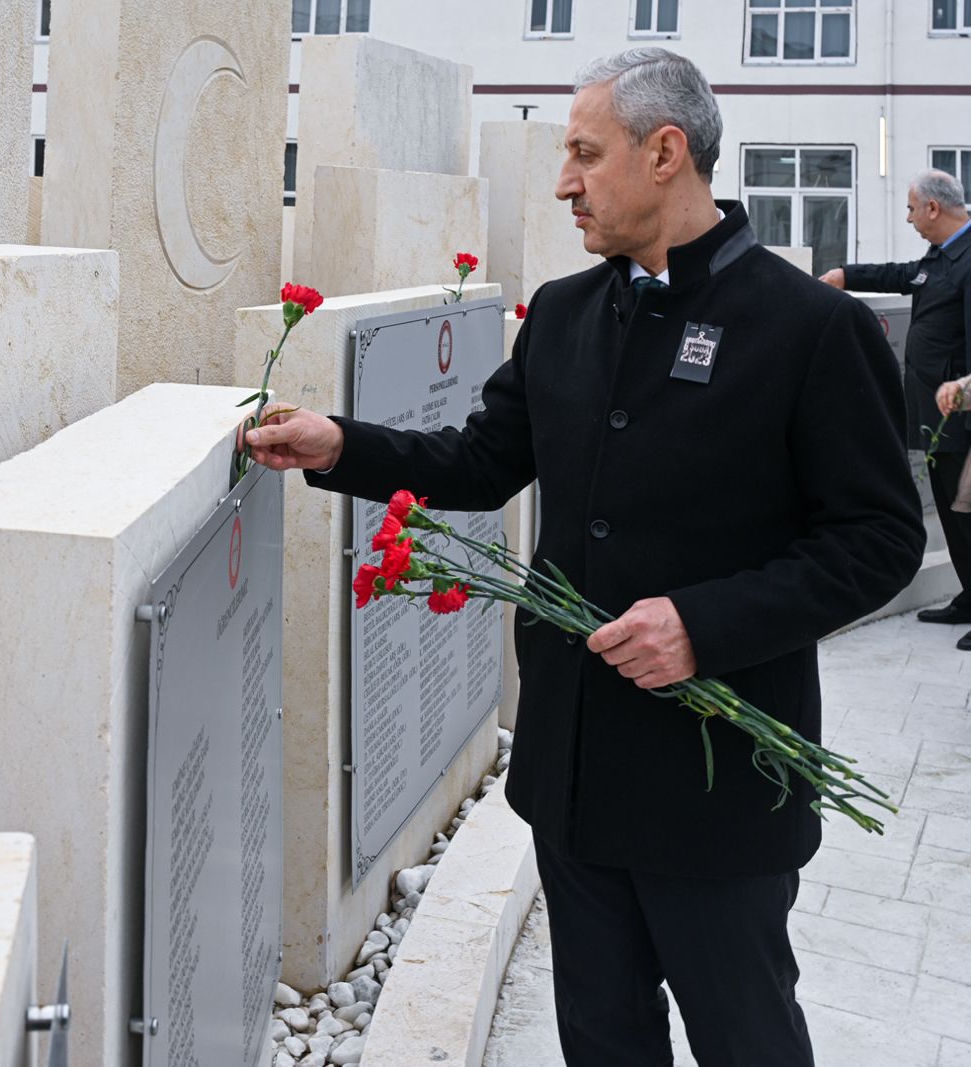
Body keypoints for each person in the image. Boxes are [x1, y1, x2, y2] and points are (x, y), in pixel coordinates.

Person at [245, 48, 924, 1067]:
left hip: (716, 788)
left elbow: (878, 539)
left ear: (665, 152)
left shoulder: (811, 328)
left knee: (747, 1038)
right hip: (573, 774)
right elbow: (481, 461)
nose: (565, 182)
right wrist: (341, 444)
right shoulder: (564, 313)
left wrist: (702, 624)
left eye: (585, 154)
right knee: (602, 1040)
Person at [819, 170, 971, 645]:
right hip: (936, 415)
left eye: (910, 208)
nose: (907, 218)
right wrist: (847, 275)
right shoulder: (942, 254)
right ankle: (969, 596)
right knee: (953, 514)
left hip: (960, 417)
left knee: (968, 515)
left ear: (933, 208)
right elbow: (905, 276)